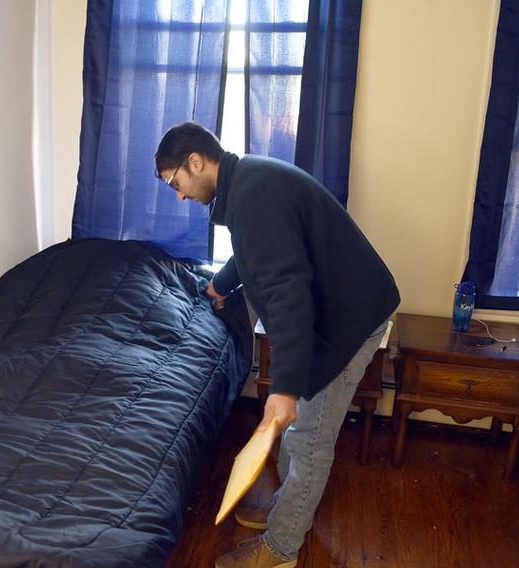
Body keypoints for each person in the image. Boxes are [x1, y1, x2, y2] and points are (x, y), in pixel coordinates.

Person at [155, 122, 399, 568]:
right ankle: (286, 509)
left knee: (308, 435)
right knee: (299, 423)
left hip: (350, 317)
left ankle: (281, 549)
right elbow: (257, 252)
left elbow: (288, 293)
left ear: (196, 161)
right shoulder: (246, 182)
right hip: (336, 304)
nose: (180, 195)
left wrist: (284, 388)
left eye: (177, 183)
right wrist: (221, 285)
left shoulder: (252, 196)